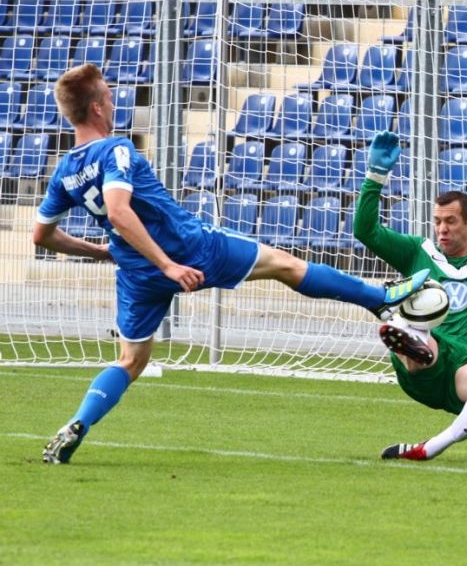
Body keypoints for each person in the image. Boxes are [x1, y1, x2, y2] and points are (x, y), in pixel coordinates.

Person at [35, 64, 430, 464]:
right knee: (284, 264)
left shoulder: (65, 171)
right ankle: (379, 298)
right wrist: (169, 264)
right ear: (98, 108)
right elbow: (119, 212)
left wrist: (101, 251)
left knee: (130, 361)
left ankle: (78, 422)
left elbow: (43, 236)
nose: (114, 100)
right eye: (108, 95)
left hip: (135, 273)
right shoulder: (115, 148)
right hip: (188, 248)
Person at [353, 128, 467, 461]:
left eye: (451, 221)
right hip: (423, 367)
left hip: (465, 372)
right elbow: (365, 231)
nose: (442, 229)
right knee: (419, 334)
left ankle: (429, 448)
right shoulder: (417, 251)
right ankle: (409, 341)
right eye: (438, 221)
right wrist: (375, 175)